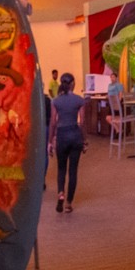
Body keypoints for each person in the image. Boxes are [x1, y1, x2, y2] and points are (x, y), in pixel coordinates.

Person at [49, 73, 87, 213]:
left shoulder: (56, 101)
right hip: (75, 135)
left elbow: (53, 122)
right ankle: (69, 204)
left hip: (62, 136)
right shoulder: (79, 100)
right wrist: (85, 140)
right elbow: (82, 122)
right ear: (73, 84)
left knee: (61, 169)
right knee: (73, 171)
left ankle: (60, 194)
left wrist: (50, 141)